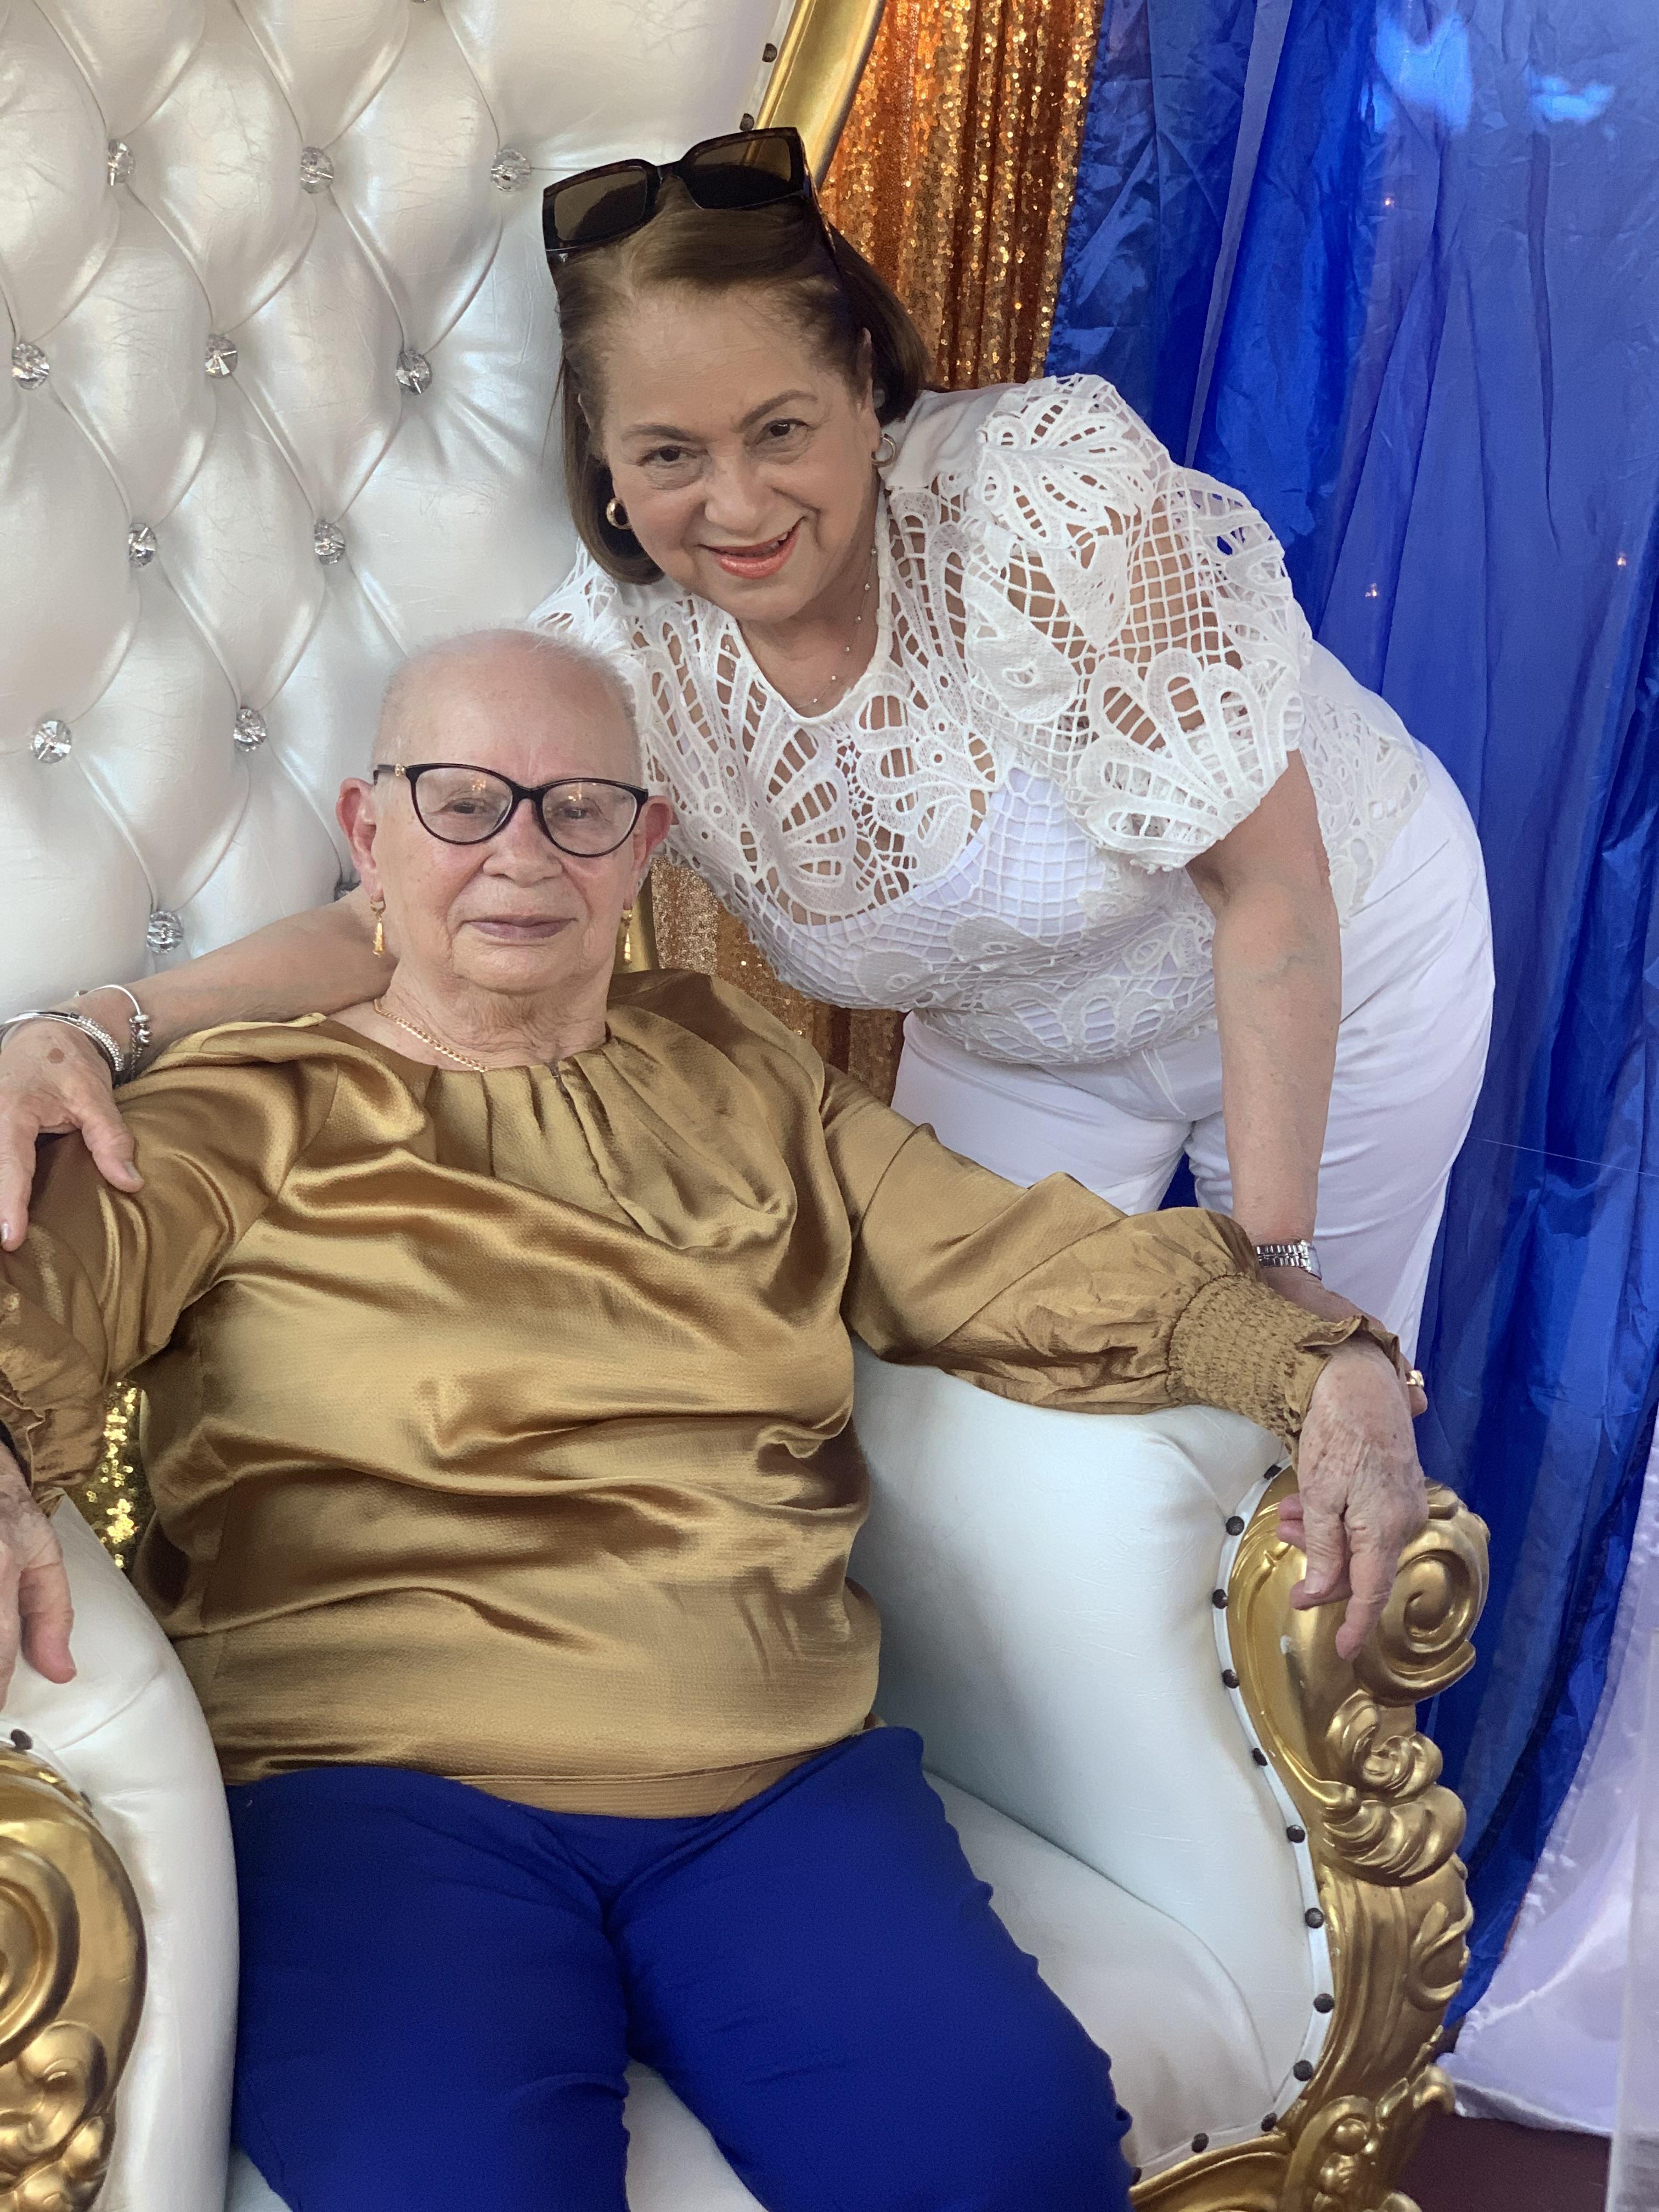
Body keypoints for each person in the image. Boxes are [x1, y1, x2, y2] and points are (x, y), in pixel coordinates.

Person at [0, 630, 1425, 2212]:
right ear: (371, 829)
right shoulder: (237, 1104)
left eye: (579, 810)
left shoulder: (737, 1071)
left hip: (775, 1782)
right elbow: (43, 1296)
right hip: (369, 1789)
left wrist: (1320, 1363)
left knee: (1006, 2155)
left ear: (644, 847)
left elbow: (1014, 1259)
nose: (520, 855)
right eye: (465, 804)